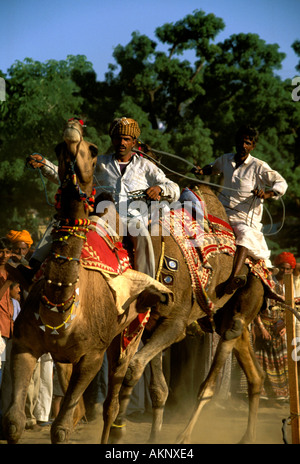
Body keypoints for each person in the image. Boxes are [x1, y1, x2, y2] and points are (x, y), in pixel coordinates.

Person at [10, 116, 180, 280]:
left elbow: (174, 188)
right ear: (112, 139)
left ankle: (146, 283)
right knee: (61, 222)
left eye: (127, 139)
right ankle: (33, 266)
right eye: (118, 138)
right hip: (101, 216)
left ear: (134, 142)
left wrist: (160, 189)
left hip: (132, 219)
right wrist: (45, 164)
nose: (122, 143)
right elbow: (69, 176)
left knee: (141, 233)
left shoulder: (146, 167)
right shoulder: (99, 163)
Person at [194, 125, 288, 339]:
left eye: (248, 142)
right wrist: (202, 171)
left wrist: (266, 193)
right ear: (236, 142)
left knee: (244, 235)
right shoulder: (225, 159)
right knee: (197, 232)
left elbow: (281, 183)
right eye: (241, 141)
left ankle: (234, 277)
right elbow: (213, 168)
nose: (243, 145)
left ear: (253, 145)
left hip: (246, 219)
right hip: (222, 214)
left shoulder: (259, 166)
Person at [252, 252, 298, 402]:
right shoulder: (269, 284)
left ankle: (279, 397)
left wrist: (285, 325)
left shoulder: (291, 286)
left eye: (288, 269)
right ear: (277, 268)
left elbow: (290, 309)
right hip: (263, 326)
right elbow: (256, 308)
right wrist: (261, 328)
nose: (285, 271)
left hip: (279, 329)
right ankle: (260, 396)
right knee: (261, 363)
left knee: (281, 363)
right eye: (282, 268)